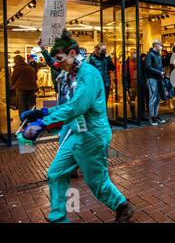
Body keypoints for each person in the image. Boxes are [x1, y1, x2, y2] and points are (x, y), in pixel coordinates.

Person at [20, 31, 134, 223]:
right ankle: (58, 217)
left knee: (96, 181)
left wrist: (43, 124)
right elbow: (70, 105)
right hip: (76, 132)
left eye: (59, 58)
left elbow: (78, 106)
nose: (57, 64)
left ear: (73, 54)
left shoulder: (88, 74)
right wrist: (43, 113)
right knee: (55, 173)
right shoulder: (72, 74)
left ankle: (122, 205)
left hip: (92, 135)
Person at [144, 39, 166, 126]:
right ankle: (152, 117)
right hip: (152, 79)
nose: (161, 46)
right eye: (160, 44)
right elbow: (148, 67)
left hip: (158, 78)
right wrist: (159, 72)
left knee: (157, 98)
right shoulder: (150, 55)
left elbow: (160, 66)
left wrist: (162, 72)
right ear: (155, 45)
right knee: (152, 98)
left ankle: (156, 116)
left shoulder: (158, 55)